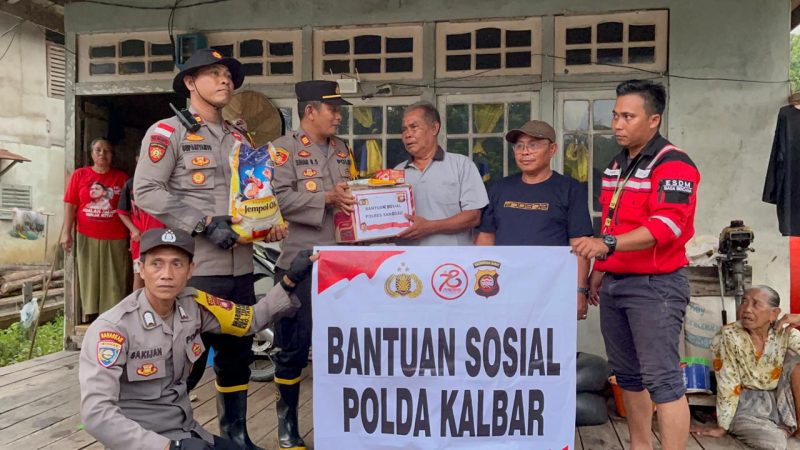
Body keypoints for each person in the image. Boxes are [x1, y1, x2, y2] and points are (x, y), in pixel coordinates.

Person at [134, 48, 284, 449]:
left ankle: (235, 435)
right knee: (187, 362)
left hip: (240, 269)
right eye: (214, 74)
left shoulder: (239, 135)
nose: (225, 81)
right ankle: (172, 437)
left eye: (228, 75)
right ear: (189, 83)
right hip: (196, 270)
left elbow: (250, 193)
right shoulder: (168, 132)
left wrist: (265, 224)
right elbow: (146, 190)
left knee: (237, 357)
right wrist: (201, 223)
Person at [79, 228, 313, 450]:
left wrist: (290, 280)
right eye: (156, 264)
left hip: (187, 433)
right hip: (142, 443)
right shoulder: (113, 329)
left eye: (177, 264)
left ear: (191, 270)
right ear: (140, 268)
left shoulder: (194, 306)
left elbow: (250, 320)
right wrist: (169, 447)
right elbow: (96, 414)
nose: (166, 275)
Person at [572, 79, 701, 450]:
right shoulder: (617, 164)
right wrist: (600, 270)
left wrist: (605, 244)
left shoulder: (674, 163)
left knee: (663, 381)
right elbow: (612, 222)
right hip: (616, 282)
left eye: (628, 116)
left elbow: (667, 225)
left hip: (655, 286)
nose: (617, 124)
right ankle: (640, 445)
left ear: (654, 120)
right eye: (615, 116)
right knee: (627, 377)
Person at [270, 80, 356, 450]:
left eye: (339, 110)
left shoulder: (342, 149)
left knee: (340, 348)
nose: (338, 116)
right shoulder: (281, 151)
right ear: (310, 111)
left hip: (343, 263)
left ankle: (338, 424)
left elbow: (353, 195)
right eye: (332, 109)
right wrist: (325, 197)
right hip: (300, 263)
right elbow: (275, 199)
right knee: (293, 348)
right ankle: (287, 423)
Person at [476, 120, 594, 321]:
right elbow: (486, 239)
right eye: (519, 146)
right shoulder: (500, 188)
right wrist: (480, 281)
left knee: (550, 350)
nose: (525, 152)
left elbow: (580, 246)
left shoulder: (569, 189)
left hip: (551, 290)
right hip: (504, 288)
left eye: (533, 145)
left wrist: (580, 291)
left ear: (552, 149)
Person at [691, 286, 800, 450]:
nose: (746, 309)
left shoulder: (785, 334)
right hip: (748, 404)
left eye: (756, 304)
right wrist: (723, 426)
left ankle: (793, 426)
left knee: (795, 362)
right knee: (773, 444)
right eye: (744, 302)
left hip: (780, 400)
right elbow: (728, 380)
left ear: (774, 313)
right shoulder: (729, 335)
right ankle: (780, 430)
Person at [394, 101, 488, 245]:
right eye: (404, 130)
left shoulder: (461, 165)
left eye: (414, 127)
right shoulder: (396, 173)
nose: (407, 134)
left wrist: (429, 227)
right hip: (408, 263)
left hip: (451, 263)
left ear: (434, 128)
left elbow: (473, 217)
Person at [61, 137, 131, 322]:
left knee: (114, 277)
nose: (102, 154)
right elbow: (70, 204)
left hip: (115, 236)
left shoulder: (121, 178)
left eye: (107, 150)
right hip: (86, 234)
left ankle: (112, 316)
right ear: (91, 154)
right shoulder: (80, 175)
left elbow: (128, 209)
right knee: (89, 276)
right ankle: (91, 316)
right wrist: (66, 232)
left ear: (112, 155)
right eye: (98, 150)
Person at [118, 156, 165, 291]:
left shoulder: (165, 183)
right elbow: (122, 212)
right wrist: (134, 230)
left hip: (161, 237)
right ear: (138, 159)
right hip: (140, 239)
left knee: (160, 275)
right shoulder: (130, 184)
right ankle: (137, 308)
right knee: (139, 275)